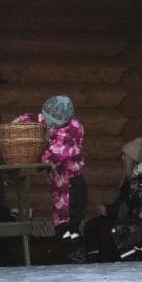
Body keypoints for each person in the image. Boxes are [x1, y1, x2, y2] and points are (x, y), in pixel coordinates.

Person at [38, 94, 86, 236]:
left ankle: (75, 256)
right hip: (66, 188)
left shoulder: (68, 133)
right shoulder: (62, 127)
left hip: (71, 188)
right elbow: (37, 118)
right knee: (65, 230)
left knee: (68, 232)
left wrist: (41, 151)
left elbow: (54, 156)